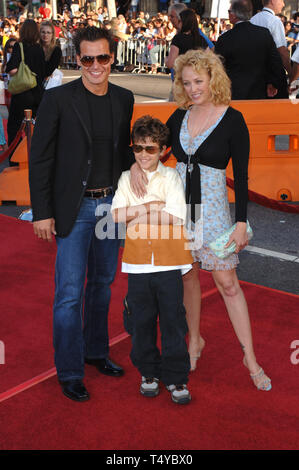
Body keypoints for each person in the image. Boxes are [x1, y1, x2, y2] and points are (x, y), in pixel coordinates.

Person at [131, 48, 272, 391]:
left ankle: (250, 359)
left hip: (213, 211)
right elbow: (156, 152)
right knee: (188, 278)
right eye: (187, 82)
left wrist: (241, 223)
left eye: (199, 81)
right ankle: (194, 341)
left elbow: (240, 175)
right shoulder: (180, 116)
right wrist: (138, 163)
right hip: (181, 211)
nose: (193, 88)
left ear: (213, 79)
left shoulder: (233, 118)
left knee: (228, 284)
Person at [29, 26, 134, 402]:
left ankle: (96, 351)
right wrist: (42, 213)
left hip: (110, 206)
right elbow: (40, 159)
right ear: (77, 59)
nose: (94, 66)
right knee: (69, 293)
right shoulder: (57, 99)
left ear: (111, 58)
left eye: (101, 58)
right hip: (73, 208)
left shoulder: (124, 98)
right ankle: (70, 370)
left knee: (102, 284)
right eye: (87, 58)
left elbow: (125, 156)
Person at [111, 115, 193, 404]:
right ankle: (148, 372)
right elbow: (115, 215)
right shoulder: (125, 178)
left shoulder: (171, 177)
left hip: (170, 263)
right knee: (141, 323)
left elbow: (176, 217)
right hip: (137, 263)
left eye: (150, 149)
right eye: (138, 148)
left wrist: (137, 211)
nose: (143, 155)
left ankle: (176, 377)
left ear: (164, 150)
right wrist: (149, 206)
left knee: (173, 322)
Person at [215, 0, 284, 99]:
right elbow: (275, 61)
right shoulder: (263, 34)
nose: (229, 14)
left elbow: (217, 68)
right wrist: (273, 83)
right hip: (259, 91)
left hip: (233, 93)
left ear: (234, 15)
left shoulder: (225, 39)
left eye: (229, 11)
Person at [6, 19, 46, 164]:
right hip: (38, 93)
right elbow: (43, 71)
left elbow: (11, 69)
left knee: (15, 128)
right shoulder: (39, 49)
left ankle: (16, 160)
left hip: (22, 93)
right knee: (36, 128)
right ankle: (37, 159)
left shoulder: (19, 46)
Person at [250, 0, 290, 97]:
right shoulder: (275, 21)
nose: (283, 4)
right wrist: (291, 73)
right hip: (272, 77)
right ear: (273, 1)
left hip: (254, 76)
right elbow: (282, 51)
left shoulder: (253, 19)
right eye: (282, 1)